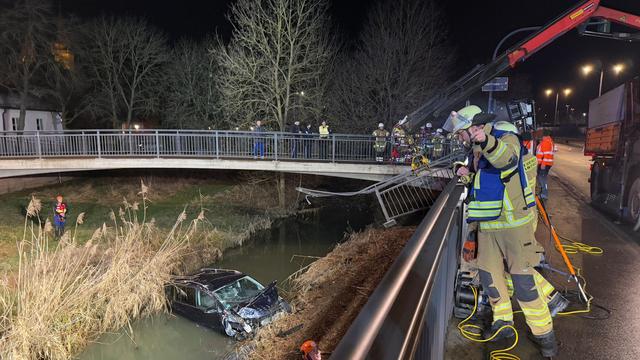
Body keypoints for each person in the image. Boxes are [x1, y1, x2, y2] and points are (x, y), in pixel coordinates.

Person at [445, 105, 558, 357]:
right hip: (488, 227)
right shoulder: (476, 149)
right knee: (491, 280)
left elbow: (506, 159)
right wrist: (465, 173)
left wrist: (486, 141)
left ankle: (544, 337)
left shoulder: (505, 139)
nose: (458, 138)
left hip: (514, 226)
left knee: (524, 284)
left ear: (473, 128)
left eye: (460, 133)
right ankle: (503, 325)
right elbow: (482, 182)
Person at [536, 130, 555, 200]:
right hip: (545, 164)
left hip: (545, 164)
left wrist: (543, 164)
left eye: (542, 136)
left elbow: (546, 155)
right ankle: (542, 192)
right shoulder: (547, 141)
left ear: (545, 136)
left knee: (542, 179)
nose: (541, 137)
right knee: (542, 178)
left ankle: (544, 194)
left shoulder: (546, 142)